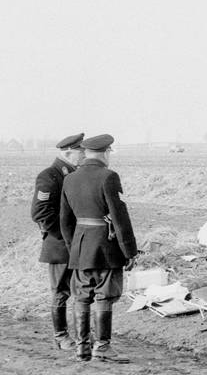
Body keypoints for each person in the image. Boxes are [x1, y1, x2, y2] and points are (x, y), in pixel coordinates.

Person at [60, 134, 137, 362]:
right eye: (109, 152)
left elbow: (65, 221)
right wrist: (129, 251)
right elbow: (119, 218)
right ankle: (102, 347)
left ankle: (82, 347)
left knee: (82, 297)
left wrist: (74, 247)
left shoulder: (70, 179)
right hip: (105, 247)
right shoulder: (108, 177)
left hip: (81, 247)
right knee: (105, 295)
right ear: (105, 153)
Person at [30, 132, 85, 350]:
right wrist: (65, 235)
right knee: (61, 293)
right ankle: (61, 335)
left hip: (77, 245)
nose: (83, 155)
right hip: (60, 245)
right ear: (68, 152)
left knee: (80, 291)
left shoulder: (74, 175)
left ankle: (81, 335)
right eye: (80, 151)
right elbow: (40, 213)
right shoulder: (50, 175)